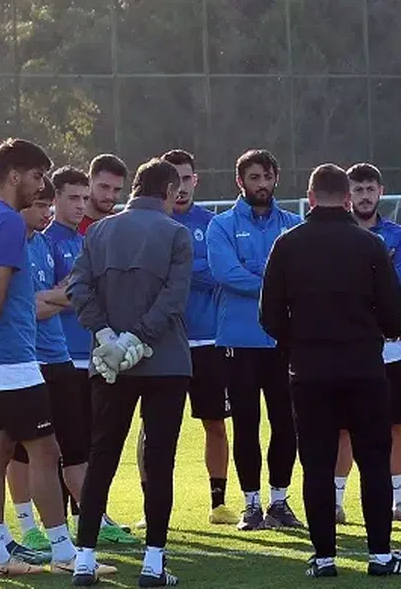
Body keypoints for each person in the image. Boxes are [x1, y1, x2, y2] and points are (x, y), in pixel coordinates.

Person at [259, 163, 401, 578]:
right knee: (373, 461)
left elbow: (269, 315)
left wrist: (297, 343)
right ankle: (380, 555)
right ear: (348, 198)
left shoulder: (287, 244)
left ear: (310, 198)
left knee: (317, 463)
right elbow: (394, 310)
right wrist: (371, 333)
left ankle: (324, 557)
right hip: (363, 367)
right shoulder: (369, 244)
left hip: (309, 370)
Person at [0, 138, 87, 576]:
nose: (41, 186)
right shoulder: (7, 221)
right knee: (45, 451)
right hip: (11, 358)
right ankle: (63, 552)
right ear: (14, 176)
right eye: (37, 177)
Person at [68, 157, 192, 586]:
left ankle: (84, 559)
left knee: (102, 455)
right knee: (159, 460)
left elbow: (78, 287)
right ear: (169, 191)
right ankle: (153, 563)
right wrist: (137, 338)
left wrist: (107, 335)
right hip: (166, 361)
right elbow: (174, 297)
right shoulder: (176, 233)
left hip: (109, 364)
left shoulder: (98, 231)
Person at [207, 149, 303, 531]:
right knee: (246, 425)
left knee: (286, 424)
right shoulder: (221, 225)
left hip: (284, 342)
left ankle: (279, 501)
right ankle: (251, 505)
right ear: (240, 181)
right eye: (253, 177)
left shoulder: (294, 224)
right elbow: (226, 273)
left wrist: (261, 277)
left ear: (276, 177)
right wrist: (278, 283)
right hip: (238, 341)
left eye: (266, 176)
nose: (261, 184)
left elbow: (303, 274)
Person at [44, 166, 137, 544]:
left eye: (85, 198)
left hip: (94, 356)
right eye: (73, 198)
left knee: (92, 444)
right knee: (61, 446)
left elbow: (90, 293)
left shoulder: (87, 239)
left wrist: (72, 293)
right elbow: (44, 301)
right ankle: (61, 524)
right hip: (61, 357)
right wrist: (76, 293)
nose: (81, 205)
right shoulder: (46, 242)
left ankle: (91, 515)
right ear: (54, 198)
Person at [150, 148, 237, 526]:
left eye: (186, 179)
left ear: (196, 180)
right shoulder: (151, 222)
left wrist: (181, 268)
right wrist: (196, 269)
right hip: (161, 341)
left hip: (208, 342)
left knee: (215, 423)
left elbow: (219, 272)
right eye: (174, 180)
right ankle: (152, 505)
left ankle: (219, 502)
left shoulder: (213, 224)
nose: (181, 187)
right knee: (155, 429)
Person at [333, 163, 401, 523]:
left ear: (381, 192)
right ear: (347, 195)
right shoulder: (337, 233)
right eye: (358, 189)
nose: (365, 196)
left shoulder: (400, 235)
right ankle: (335, 502)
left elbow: (398, 282)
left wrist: (357, 282)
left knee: (394, 424)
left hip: (390, 347)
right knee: (343, 427)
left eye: (370, 189)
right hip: (347, 346)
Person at [78, 154, 127, 235]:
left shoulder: (121, 227)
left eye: (117, 190)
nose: (109, 196)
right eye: (104, 187)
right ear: (89, 181)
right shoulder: (69, 224)